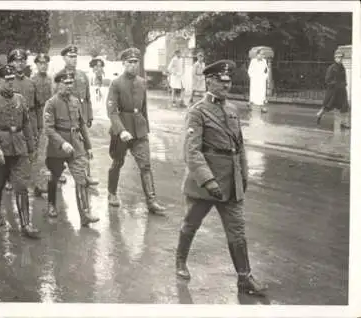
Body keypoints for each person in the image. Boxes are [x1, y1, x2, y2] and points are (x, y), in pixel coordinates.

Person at [175, 59, 267, 296]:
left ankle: (244, 278)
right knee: (190, 224)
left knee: (237, 231)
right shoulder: (197, 112)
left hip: (231, 182)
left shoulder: (233, 110)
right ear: (209, 82)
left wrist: (243, 175)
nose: (226, 85)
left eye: (228, 81)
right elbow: (191, 151)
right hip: (205, 185)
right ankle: (180, 262)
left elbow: (239, 147)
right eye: (221, 81)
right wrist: (208, 180)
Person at [0, 65, 39, 238]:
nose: (10, 82)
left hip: (19, 147)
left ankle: (26, 224)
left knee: (21, 186)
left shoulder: (20, 99)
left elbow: (26, 123)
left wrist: (31, 147)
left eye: (12, 79)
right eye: (7, 80)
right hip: (1, 148)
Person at [106, 47, 166, 215]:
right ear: (124, 64)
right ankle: (112, 193)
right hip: (122, 130)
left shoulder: (142, 82)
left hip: (139, 131)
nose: (133, 65)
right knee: (117, 163)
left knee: (145, 165)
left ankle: (151, 201)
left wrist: (145, 128)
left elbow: (144, 108)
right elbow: (111, 111)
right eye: (130, 62)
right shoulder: (116, 83)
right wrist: (121, 130)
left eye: (136, 62)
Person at [44, 69, 100, 225]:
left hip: (75, 144)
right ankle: (51, 204)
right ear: (58, 84)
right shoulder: (51, 103)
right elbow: (48, 128)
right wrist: (62, 143)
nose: (69, 86)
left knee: (81, 178)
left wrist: (88, 146)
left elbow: (82, 125)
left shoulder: (75, 102)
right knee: (54, 178)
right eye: (65, 83)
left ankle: (85, 215)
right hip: (57, 147)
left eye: (71, 83)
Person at [61, 45, 98, 186]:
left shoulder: (83, 76)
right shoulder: (60, 76)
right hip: (67, 118)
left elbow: (87, 98)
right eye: (70, 57)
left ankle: (86, 175)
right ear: (64, 58)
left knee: (84, 146)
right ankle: (57, 174)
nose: (74, 59)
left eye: (75, 56)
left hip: (81, 117)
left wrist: (89, 116)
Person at [8, 48, 38, 191]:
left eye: (22, 61)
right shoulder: (8, 82)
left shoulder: (31, 82)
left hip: (29, 121)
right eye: (16, 61)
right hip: (14, 121)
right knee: (12, 151)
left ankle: (30, 180)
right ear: (11, 63)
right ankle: (9, 179)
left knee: (30, 151)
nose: (19, 64)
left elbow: (36, 105)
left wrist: (37, 126)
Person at [31, 53, 53, 196]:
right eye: (41, 63)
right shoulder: (32, 81)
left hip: (50, 118)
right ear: (37, 65)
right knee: (38, 153)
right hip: (38, 118)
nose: (43, 65)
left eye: (45, 63)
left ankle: (48, 179)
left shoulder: (51, 80)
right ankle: (37, 184)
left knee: (50, 151)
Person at [316, 51, 350, 129]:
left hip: (341, 91)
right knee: (327, 106)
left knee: (344, 106)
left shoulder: (342, 67)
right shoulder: (331, 68)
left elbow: (344, 78)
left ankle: (343, 123)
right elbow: (327, 80)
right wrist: (334, 84)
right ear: (335, 58)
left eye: (341, 58)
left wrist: (344, 84)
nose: (340, 59)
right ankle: (319, 115)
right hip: (333, 91)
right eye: (338, 57)